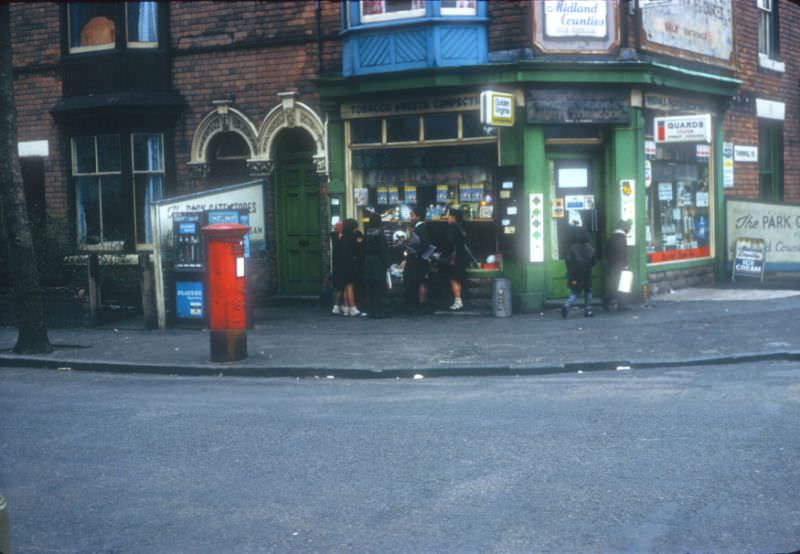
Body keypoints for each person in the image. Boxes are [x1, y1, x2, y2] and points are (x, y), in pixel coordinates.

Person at [561, 226, 596, 318]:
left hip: (575, 275)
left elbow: (568, 261)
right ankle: (588, 310)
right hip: (587, 274)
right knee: (588, 292)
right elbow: (593, 262)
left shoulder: (572, 248)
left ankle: (566, 305)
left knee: (575, 293)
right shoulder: (589, 248)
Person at [403, 208, 432, 313]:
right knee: (421, 281)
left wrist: (414, 250)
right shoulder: (420, 228)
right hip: (420, 259)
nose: (410, 218)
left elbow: (424, 244)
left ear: (418, 216)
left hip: (418, 260)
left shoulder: (420, 228)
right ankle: (420, 304)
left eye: (412, 215)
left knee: (420, 281)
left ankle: (420, 305)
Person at [362, 212, 390, 318]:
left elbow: (363, 248)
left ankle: (371, 310)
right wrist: (387, 263)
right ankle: (378, 311)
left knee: (370, 287)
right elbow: (383, 249)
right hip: (378, 262)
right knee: (379, 287)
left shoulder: (367, 232)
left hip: (368, 261)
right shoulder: (380, 233)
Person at [603, 219, 632, 311]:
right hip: (620, 266)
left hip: (612, 265)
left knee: (613, 284)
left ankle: (606, 302)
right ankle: (621, 304)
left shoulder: (611, 238)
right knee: (622, 286)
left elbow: (606, 252)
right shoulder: (622, 239)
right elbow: (623, 253)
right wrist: (626, 265)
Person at [443, 207, 467, 311]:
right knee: (457, 279)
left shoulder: (452, 227)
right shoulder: (460, 228)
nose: (447, 218)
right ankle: (458, 300)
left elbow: (449, 242)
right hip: (461, 256)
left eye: (449, 216)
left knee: (453, 279)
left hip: (455, 257)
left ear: (453, 217)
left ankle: (458, 301)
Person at [340, 218, 362, 317]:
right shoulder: (353, 237)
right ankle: (353, 307)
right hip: (351, 262)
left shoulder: (343, 236)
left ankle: (346, 307)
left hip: (343, 262)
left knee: (345, 285)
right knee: (350, 285)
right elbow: (357, 249)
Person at [329, 221, 346, 315]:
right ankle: (336, 306)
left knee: (341, 287)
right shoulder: (337, 237)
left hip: (337, 265)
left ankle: (341, 305)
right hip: (339, 265)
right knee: (340, 287)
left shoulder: (334, 236)